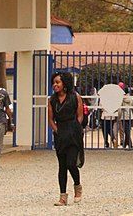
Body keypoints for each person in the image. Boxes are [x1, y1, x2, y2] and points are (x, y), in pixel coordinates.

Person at [48, 72, 84, 206]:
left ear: (65, 84)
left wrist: (75, 129)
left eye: (58, 82)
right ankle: (63, 197)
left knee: (71, 163)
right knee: (62, 166)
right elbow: (51, 119)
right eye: (54, 82)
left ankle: (77, 186)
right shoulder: (52, 100)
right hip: (60, 134)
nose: (55, 85)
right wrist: (57, 131)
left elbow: (80, 115)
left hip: (73, 134)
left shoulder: (75, 97)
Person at [118, 83, 133, 150]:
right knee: (128, 130)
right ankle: (125, 144)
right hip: (130, 116)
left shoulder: (121, 99)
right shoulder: (131, 99)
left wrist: (119, 116)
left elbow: (120, 108)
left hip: (123, 116)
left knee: (126, 131)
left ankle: (130, 145)